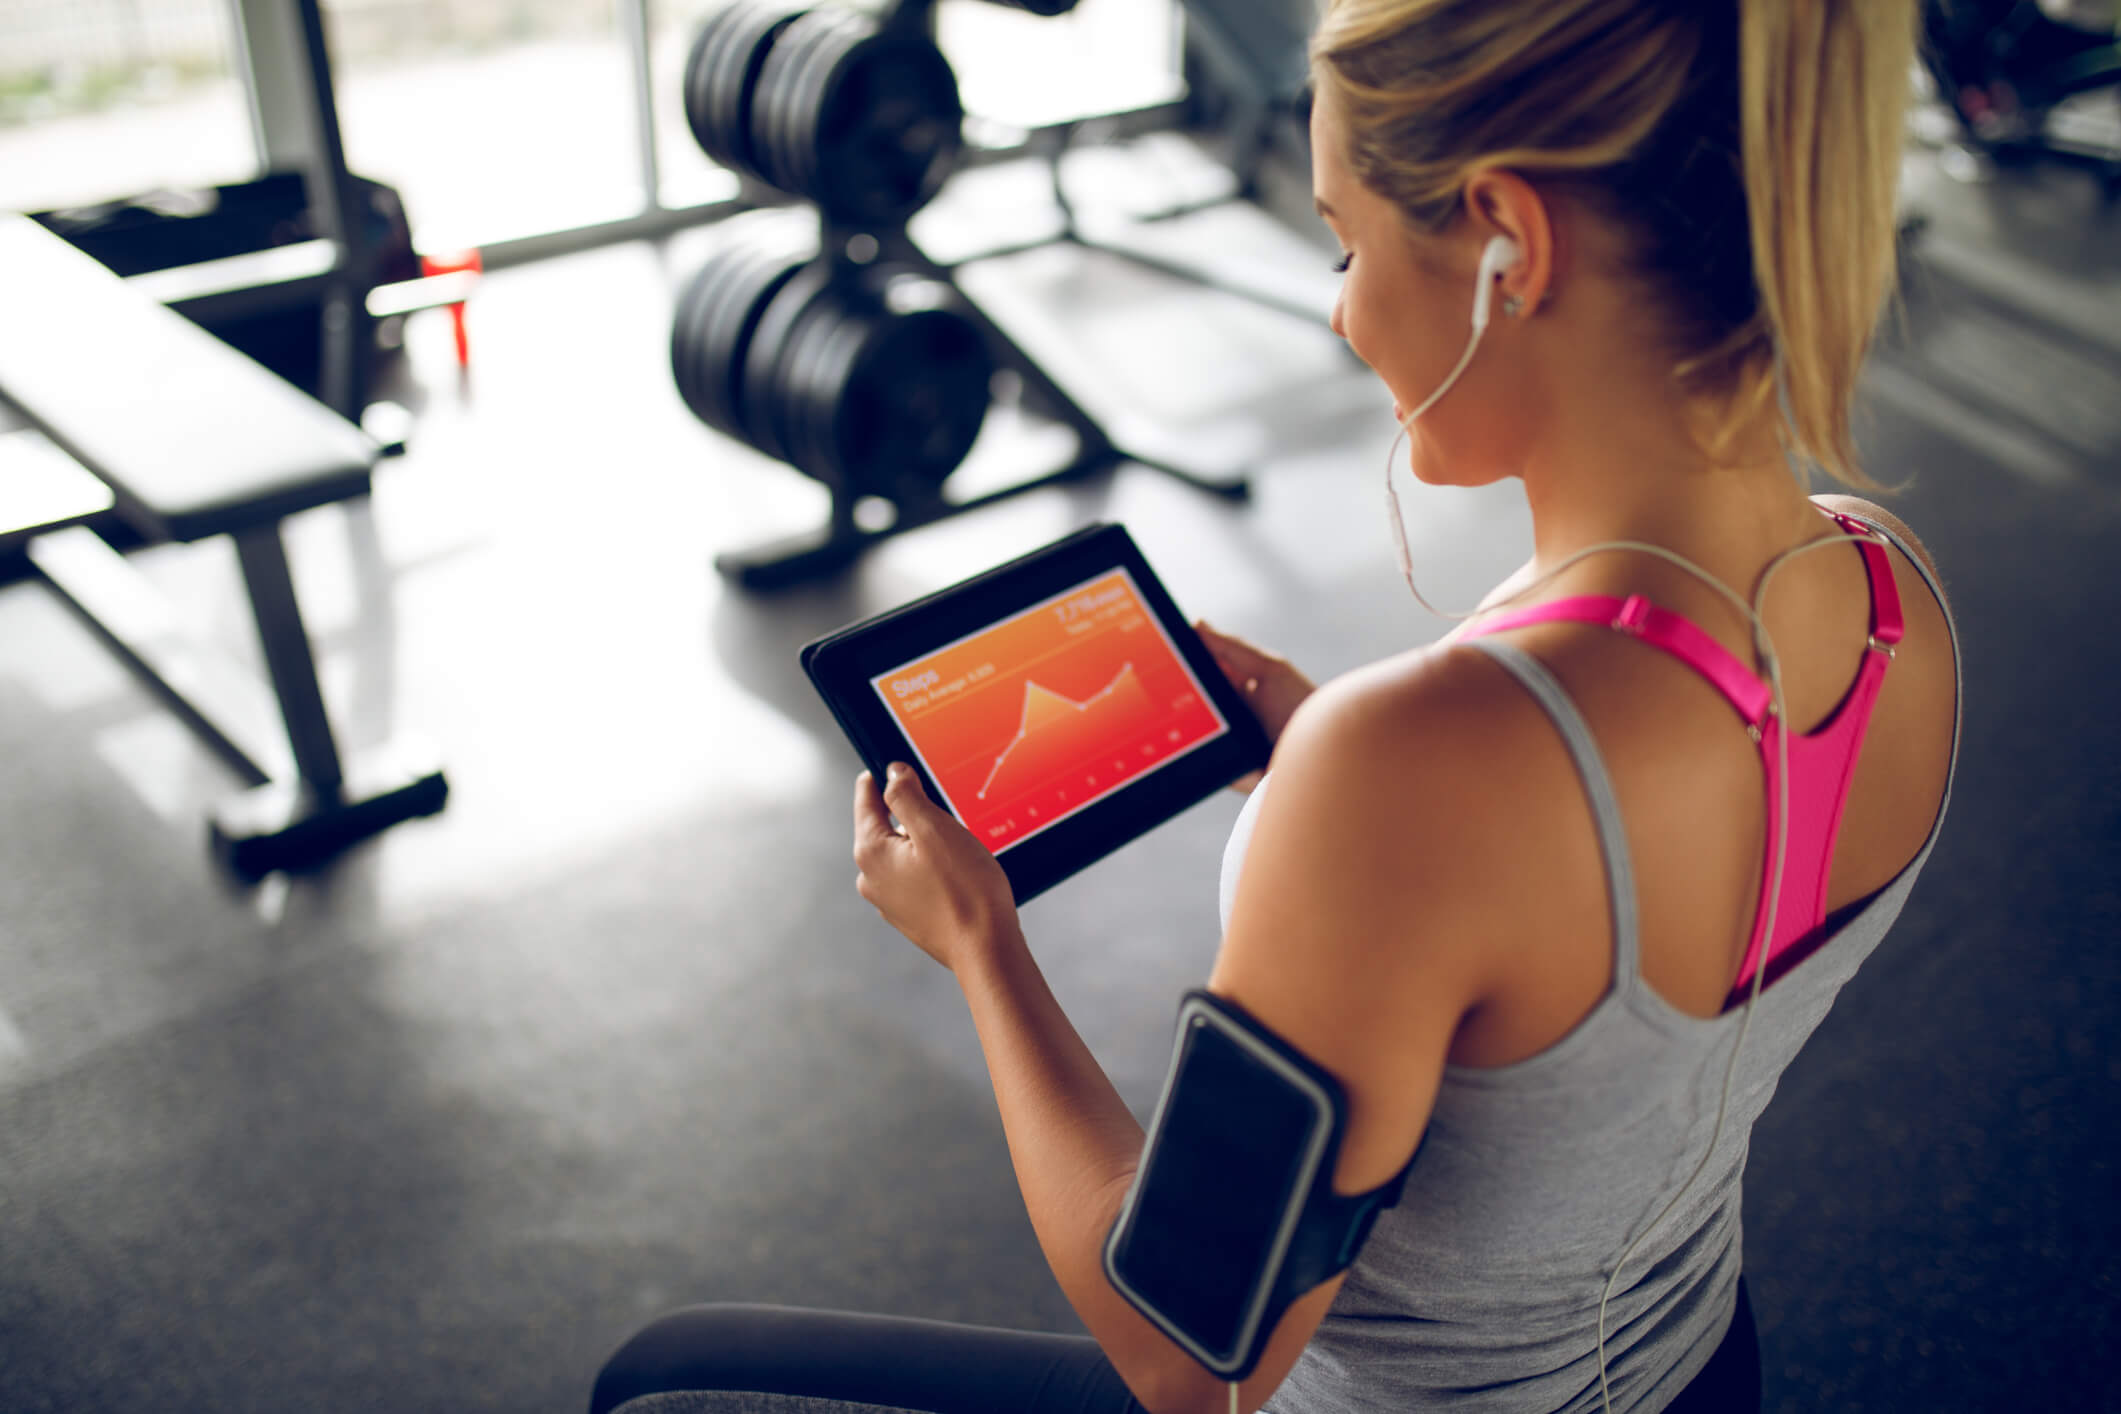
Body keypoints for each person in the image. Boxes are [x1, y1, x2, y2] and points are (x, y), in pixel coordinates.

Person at [590, 1, 1960, 1410]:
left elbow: (1186, 1356)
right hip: (1699, 1374)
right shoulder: (1887, 593)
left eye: (1345, 245)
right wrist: (1345, 772)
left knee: (664, 1377)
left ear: (1507, 240)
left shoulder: (1413, 775)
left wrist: (979, 945)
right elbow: (1606, 967)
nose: (1340, 305)